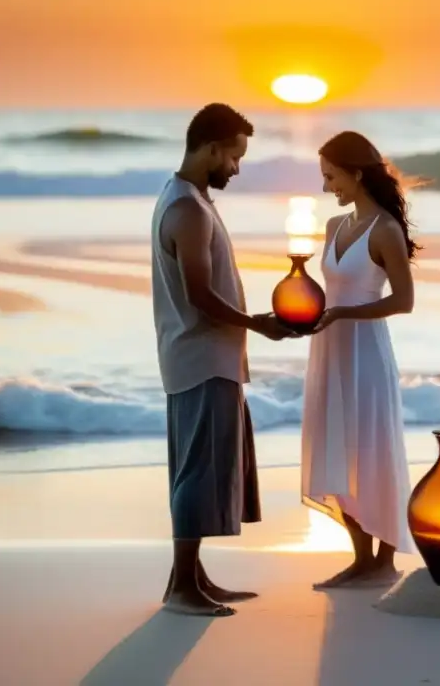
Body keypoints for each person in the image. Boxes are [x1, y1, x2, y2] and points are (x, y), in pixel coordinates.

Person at [152, 102, 297, 617]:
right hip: (201, 358)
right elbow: (198, 296)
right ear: (211, 148)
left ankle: (187, 580)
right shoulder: (188, 209)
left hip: (203, 357)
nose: (236, 167)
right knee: (196, 475)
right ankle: (184, 591)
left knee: (199, 469)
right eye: (233, 157)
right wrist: (256, 323)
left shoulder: (188, 198)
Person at [301, 130, 422, 589]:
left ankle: (383, 559)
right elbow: (329, 290)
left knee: (372, 447)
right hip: (329, 348)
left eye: (330, 176)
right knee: (337, 442)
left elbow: (404, 300)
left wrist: (344, 313)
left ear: (354, 174)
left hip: (366, 351)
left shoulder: (385, 230)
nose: (326, 185)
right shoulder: (334, 228)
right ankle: (360, 558)